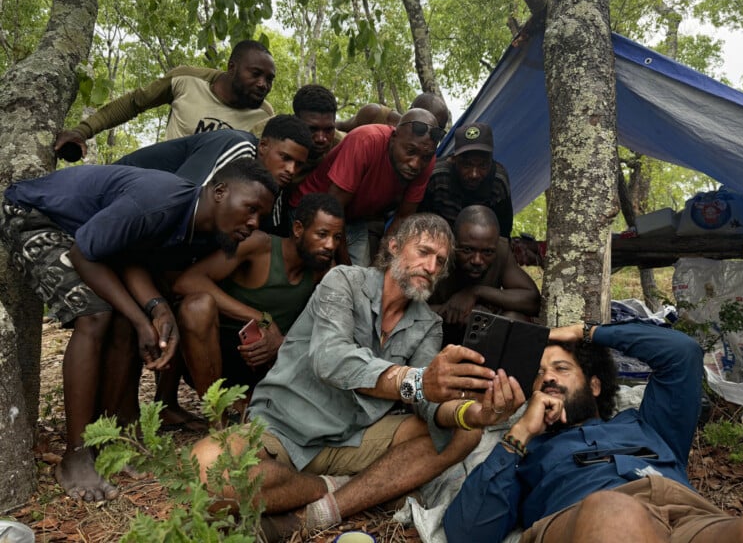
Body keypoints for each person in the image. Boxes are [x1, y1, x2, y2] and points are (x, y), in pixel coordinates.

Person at [192, 213, 518, 539]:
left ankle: (320, 513)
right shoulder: (343, 281)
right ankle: (335, 486)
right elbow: (331, 358)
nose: (431, 268)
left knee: (465, 433)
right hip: (283, 428)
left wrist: (473, 412)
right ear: (393, 246)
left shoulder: (428, 324)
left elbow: (429, 402)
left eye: (440, 261)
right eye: (423, 252)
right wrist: (415, 381)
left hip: (355, 437)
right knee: (207, 473)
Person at [0, 159, 277, 502]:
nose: (254, 223)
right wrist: (139, 319)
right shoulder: (160, 201)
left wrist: (156, 310)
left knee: (122, 319)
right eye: (250, 209)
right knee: (97, 314)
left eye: (261, 217)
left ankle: (112, 437)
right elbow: (84, 254)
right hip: (35, 215)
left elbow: (126, 256)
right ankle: (76, 455)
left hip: (85, 236)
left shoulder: (193, 225)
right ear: (220, 192)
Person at [444, 321, 743, 543]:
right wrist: (520, 432)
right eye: (538, 374)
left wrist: (586, 332)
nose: (547, 378)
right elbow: (468, 533)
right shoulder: (524, 454)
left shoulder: (647, 424)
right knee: (614, 510)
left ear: (595, 386)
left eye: (561, 367)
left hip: (686, 518)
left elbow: (682, 352)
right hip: (585, 519)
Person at [166, 193, 345, 413]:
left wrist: (281, 343)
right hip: (214, 355)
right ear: (298, 229)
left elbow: (329, 332)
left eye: (337, 238)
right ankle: (216, 417)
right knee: (196, 307)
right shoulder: (260, 246)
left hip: (265, 364)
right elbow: (187, 282)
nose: (330, 245)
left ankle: (254, 403)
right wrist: (260, 318)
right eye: (322, 234)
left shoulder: (324, 270)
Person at [54, 40, 277, 161]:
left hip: (213, 201)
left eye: (269, 79)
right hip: (163, 176)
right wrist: (83, 131)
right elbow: (134, 103)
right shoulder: (187, 79)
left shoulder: (265, 117)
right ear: (232, 68)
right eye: (256, 74)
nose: (263, 84)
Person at [289, 108, 443, 266]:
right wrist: (344, 264)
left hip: (353, 220)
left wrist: (380, 262)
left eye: (424, 157)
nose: (415, 164)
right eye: (410, 151)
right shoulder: (365, 140)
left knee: (364, 279)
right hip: (313, 211)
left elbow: (403, 216)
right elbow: (333, 206)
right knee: (319, 270)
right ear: (394, 137)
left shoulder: (427, 159)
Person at [115, 115, 311, 235]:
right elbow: (184, 201)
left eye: (298, 165)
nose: (291, 170)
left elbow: (270, 233)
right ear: (263, 145)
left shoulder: (272, 185)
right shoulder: (240, 147)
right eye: (285, 157)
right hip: (118, 197)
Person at [429, 206, 540, 344]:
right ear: (453, 242)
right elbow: (404, 306)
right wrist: (452, 312)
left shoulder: (501, 250)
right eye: (468, 250)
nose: (477, 260)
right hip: (434, 334)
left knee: (514, 318)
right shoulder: (435, 252)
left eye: (487, 252)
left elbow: (532, 300)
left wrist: (476, 292)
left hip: (480, 339)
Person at [419, 121, 514, 238]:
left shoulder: (498, 181)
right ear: (454, 159)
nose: (474, 174)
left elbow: (503, 233)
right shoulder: (437, 176)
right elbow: (419, 222)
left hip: (481, 244)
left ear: (491, 162)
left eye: (483, 165)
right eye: (466, 165)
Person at [335, 92, 449, 133]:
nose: (430, 134)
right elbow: (339, 127)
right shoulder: (375, 114)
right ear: (410, 112)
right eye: (424, 125)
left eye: (437, 130)